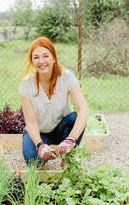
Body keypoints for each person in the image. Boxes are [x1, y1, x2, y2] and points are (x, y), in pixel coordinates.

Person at [19, 36, 89, 168]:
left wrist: (71, 139)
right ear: (32, 61)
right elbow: (31, 122)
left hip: (61, 129)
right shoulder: (26, 84)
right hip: (39, 132)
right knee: (32, 160)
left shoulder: (66, 77)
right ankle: (41, 160)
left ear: (53, 58)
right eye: (36, 57)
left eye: (46, 56)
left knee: (75, 117)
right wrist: (40, 145)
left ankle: (68, 159)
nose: (42, 61)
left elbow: (83, 109)